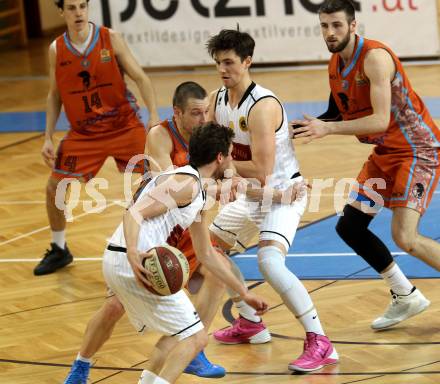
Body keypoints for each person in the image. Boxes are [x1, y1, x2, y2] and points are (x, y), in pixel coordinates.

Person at [63, 82, 227, 383]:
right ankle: (81, 366)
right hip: (153, 227)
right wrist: (227, 187)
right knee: (114, 306)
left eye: (206, 112)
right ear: (177, 113)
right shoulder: (159, 135)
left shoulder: (206, 138)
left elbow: (221, 174)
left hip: (185, 226)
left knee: (219, 272)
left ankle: (193, 348)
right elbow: (175, 182)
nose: (203, 119)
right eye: (195, 113)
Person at [292, 0, 439, 330]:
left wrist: (327, 129)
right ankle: (406, 294)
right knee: (350, 227)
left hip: (417, 150)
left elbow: (379, 120)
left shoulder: (374, 58)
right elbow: (336, 112)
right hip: (385, 154)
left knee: (405, 236)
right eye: (325, 26)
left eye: (337, 26)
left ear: (353, 26)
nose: (330, 32)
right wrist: (292, 130)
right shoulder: (336, 63)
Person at [206, 29, 339, 372]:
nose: (223, 69)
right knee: (208, 249)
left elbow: (263, 170)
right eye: (218, 62)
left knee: (270, 262)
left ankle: (321, 342)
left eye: (230, 62)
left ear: (247, 61)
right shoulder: (217, 100)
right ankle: (250, 321)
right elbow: (209, 153)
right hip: (250, 194)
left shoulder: (261, 106)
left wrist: (224, 169)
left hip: (282, 195)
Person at [105, 122, 268, 384]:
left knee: (177, 334)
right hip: (133, 259)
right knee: (196, 337)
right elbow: (134, 212)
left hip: (120, 260)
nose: (231, 160)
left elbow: (206, 254)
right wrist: (133, 252)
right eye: (229, 154)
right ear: (219, 158)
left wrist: (244, 293)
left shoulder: (196, 190)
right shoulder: (186, 184)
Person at [34, 0, 159, 276]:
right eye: (71, 8)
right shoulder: (57, 49)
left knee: (156, 180)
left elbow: (141, 78)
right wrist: (47, 137)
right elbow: (54, 95)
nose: (78, 13)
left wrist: (152, 116)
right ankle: (59, 249)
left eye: (82, 6)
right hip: (85, 134)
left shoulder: (109, 38)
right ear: (61, 12)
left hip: (124, 126)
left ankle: (160, 242)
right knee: (55, 187)